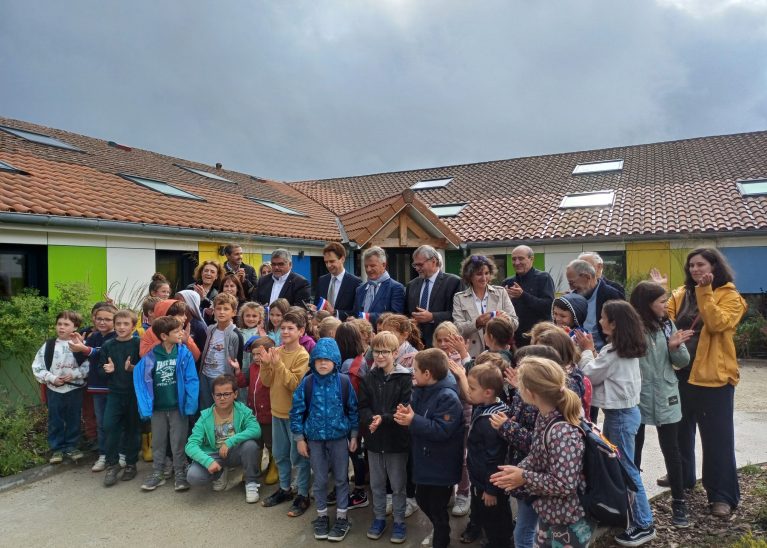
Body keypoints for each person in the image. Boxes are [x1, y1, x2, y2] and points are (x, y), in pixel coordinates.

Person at [666, 248, 747, 518]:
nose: (695, 270)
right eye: (691, 266)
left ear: (715, 265)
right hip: (680, 372)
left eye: (700, 264)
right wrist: (658, 292)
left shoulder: (731, 297)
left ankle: (722, 495)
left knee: (717, 439)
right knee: (679, 431)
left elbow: (716, 324)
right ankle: (684, 477)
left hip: (714, 378)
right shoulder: (681, 294)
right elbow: (664, 320)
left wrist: (705, 291)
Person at [574, 300, 655, 546]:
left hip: (619, 417)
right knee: (622, 467)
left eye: (603, 317)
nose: (599, 321)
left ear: (615, 323)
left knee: (627, 470)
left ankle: (644, 524)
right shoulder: (624, 348)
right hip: (624, 414)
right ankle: (631, 516)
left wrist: (587, 349)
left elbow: (588, 374)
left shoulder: (613, 352)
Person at [490, 357, 593, 548]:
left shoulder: (562, 432)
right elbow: (538, 453)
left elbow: (565, 484)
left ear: (530, 393)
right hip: (550, 511)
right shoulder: (545, 415)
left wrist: (525, 477)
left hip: (568, 519)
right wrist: (516, 472)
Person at [630, 281, 693, 528]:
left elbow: (683, 360)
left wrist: (674, 347)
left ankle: (679, 502)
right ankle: (633, 502)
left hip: (667, 395)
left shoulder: (667, 324)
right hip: (638, 396)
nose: (666, 305)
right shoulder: (631, 327)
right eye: (661, 301)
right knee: (633, 451)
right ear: (647, 304)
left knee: (672, 452)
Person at [290, 338, 360, 542]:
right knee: (320, 479)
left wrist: (354, 435)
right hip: (315, 440)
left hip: (339, 439)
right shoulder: (307, 383)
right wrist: (299, 438)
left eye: (327, 360)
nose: (322, 363)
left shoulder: (344, 382)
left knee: (341, 479)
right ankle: (321, 516)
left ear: (335, 361)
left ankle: (341, 517)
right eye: (318, 359)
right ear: (313, 361)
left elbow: (353, 410)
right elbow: (296, 412)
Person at [393, 348, 464, 548]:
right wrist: (408, 413)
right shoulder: (421, 389)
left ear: (427, 374)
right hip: (425, 460)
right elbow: (418, 413)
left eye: (415, 370)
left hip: (441, 464)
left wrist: (413, 420)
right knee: (422, 498)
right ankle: (440, 527)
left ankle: (442, 537)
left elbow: (442, 430)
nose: (412, 373)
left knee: (436, 505)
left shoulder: (447, 397)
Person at [134, 316, 199, 492]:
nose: (181, 333)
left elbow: (192, 380)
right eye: (177, 331)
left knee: (178, 441)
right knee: (159, 441)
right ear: (164, 336)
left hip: (178, 407)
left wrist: (190, 404)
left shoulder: (184, 354)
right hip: (157, 409)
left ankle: (179, 472)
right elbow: (141, 381)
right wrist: (145, 406)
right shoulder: (151, 356)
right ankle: (158, 472)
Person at [359, 331, 413, 544]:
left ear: (395, 352)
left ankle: (399, 521)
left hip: (396, 441)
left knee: (398, 484)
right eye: (377, 351)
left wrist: (384, 418)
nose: (380, 356)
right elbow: (362, 406)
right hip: (373, 440)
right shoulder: (368, 377)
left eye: (385, 352)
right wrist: (371, 418)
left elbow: (406, 407)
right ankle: (379, 517)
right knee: (377, 484)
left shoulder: (405, 377)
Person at [259, 310, 312, 517]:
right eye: (283, 328)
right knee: (280, 454)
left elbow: (295, 385)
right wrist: (265, 364)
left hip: (295, 415)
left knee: (298, 456)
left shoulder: (302, 356)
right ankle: (285, 488)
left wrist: (278, 363)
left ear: (301, 331)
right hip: (277, 412)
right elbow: (267, 382)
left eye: (291, 328)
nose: (286, 332)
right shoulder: (277, 350)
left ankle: (302, 494)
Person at [185, 373, 262, 503]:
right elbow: (190, 445)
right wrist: (208, 461)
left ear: (235, 394)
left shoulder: (242, 411)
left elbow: (256, 430)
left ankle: (251, 483)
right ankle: (219, 473)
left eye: (226, 394)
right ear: (213, 396)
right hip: (214, 454)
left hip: (234, 451)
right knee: (193, 476)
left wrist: (231, 441)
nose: (222, 398)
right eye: (218, 395)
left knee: (251, 446)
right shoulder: (205, 417)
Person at [32, 310, 88, 464]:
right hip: (54, 389)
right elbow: (37, 367)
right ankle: (56, 449)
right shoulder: (49, 345)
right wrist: (52, 378)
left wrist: (75, 374)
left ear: (75, 327)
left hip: (74, 389)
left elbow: (89, 365)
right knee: (55, 419)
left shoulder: (80, 345)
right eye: (59, 324)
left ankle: (72, 446)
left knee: (73, 418)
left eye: (66, 324)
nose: (61, 327)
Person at [466, 364, 513, 548]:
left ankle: (500, 542)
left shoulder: (490, 421)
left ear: (487, 392)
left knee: (495, 520)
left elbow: (494, 458)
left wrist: (491, 489)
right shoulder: (490, 405)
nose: (468, 392)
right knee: (495, 516)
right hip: (483, 481)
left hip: (489, 484)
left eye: (472, 388)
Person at [67, 302, 117, 472]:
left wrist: (85, 348)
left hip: (115, 388)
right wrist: (77, 347)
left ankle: (121, 454)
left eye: (107, 319)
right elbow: (83, 359)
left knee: (117, 422)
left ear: (115, 321)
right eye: (99, 319)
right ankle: (104, 455)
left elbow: (102, 353)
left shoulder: (117, 337)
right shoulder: (92, 337)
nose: (102, 322)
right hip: (96, 388)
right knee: (102, 423)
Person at [97, 309, 142, 486]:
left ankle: (131, 464)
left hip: (134, 394)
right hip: (115, 394)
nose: (121, 327)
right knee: (109, 426)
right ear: (114, 325)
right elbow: (100, 369)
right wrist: (106, 370)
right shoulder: (108, 345)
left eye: (126, 324)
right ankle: (112, 464)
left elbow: (147, 368)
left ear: (133, 325)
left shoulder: (138, 343)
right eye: (118, 324)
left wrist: (133, 368)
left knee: (133, 429)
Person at [452, 254, 519, 358]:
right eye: (479, 274)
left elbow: (515, 323)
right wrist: (476, 323)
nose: (484, 278)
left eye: (487, 273)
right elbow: (457, 329)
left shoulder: (501, 292)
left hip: (499, 355)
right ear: (469, 276)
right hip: (472, 355)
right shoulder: (459, 298)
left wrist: (505, 320)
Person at [405, 245, 463, 349]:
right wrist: (411, 321)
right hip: (416, 345)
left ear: (433, 261)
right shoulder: (411, 285)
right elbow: (406, 313)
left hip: (442, 344)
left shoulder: (453, 282)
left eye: (420, 264)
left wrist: (432, 317)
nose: (417, 268)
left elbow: (457, 315)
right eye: (415, 265)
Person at [502, 245, 555, 348]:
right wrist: (505, 299)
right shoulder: (508, 282)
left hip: (539, 338)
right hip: (516, 340)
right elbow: (502, 312)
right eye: (514, 259)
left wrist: (523, 295)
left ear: (531, 259)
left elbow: (548, 307)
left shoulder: (543, 278)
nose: (517, 263)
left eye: (521, 258)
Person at [198, 293, 244, 410]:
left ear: (233, 312)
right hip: (205, 374)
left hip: (223, 378)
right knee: (206, 407)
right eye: (218, 308)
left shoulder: (236, 334)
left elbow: (238, 361)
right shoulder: (210, 329)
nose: (221, 312)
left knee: (222, 408)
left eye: (226, 309)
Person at [565, 259, 623, 352]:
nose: (571, 288)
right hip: (579, 353)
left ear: (587, 277)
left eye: (572, 283)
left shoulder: (611, 295)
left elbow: (622, 328)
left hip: (606, 352)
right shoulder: (572, 298)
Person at [243, 336, 278, 485]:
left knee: (270, 443)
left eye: (260, 354)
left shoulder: (273, 368)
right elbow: (243, 382)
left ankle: (274, 466)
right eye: (254, 354)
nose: (256, 357)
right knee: (256, 443)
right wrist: (237, 371)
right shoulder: (252, 368)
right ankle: (254, 468)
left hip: (269, 415)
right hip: (254, 413)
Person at [352, 246, 405, 325]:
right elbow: (356, 314)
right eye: (366, 266)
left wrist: (366, 316)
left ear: (383, 265)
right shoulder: (360, 289)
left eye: (372, 266)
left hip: (384, 335)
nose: (368, 269)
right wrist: (352, 318)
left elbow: (395, 317)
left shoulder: (395, 288)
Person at [316, 242, 362, 321]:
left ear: (343, 259)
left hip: (343, 329)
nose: (328, 265)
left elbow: (356, 313)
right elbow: (317, 303)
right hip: (323, 327)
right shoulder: (322, 280)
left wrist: (335, 312)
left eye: (332, 261)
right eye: (326, 262)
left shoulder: (355, 283)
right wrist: (314, 309)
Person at [188, 260, 224, 325]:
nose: (208, 274)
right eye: (206, 271)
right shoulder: (191, 288)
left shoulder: (218, 294)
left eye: (212, 272)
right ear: (201, 273)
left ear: (216, 276)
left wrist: (204, 299)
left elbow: (216, 315)